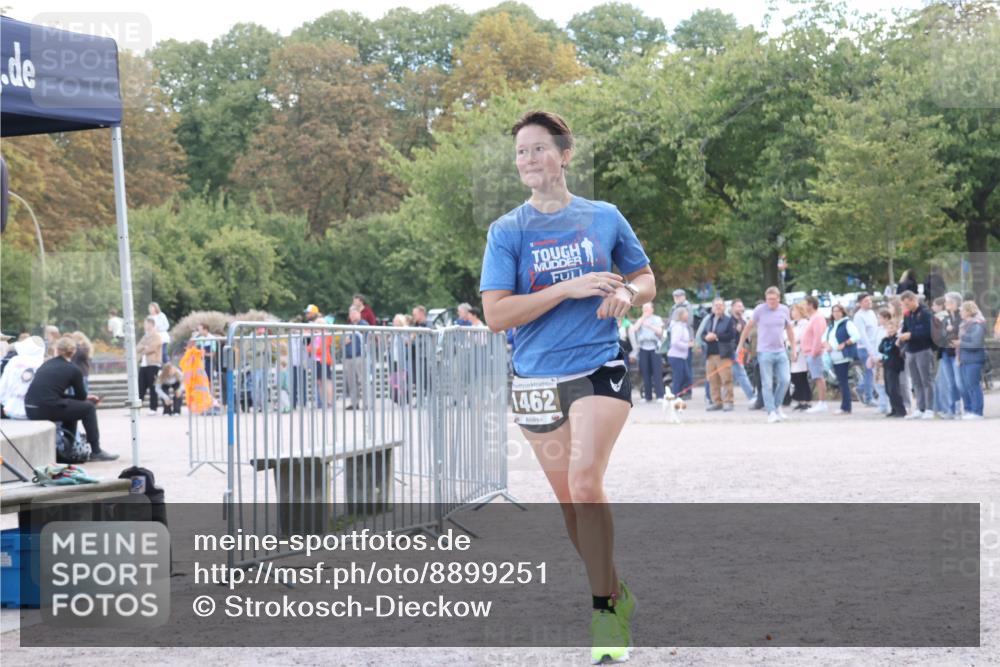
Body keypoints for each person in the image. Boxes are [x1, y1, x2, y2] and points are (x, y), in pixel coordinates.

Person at [480, 110, 652, 662]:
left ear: (565, 154)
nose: (529, 159)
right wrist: (568, 287)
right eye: (521, 152)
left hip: (598, 366)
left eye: (539, 148)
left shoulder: (604, 217)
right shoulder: (507, 231)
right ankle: (615, 591)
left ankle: (603, 616)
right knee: (572, 507)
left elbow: (645, 277)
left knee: (584, 482)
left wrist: (627, 294)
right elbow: (496, 315)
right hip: (535, 378)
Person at [24, 336, 118, 461]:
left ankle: (67, 451)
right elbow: (81, 397)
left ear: (57, 350)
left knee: (73, 410)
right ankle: (96, 451)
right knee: (89, 408)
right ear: (73, 352)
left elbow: (50, 393)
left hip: (30, 408)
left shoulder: (46, 364)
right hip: (46, 408)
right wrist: (88, 399)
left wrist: (82, 398)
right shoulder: (73, 369)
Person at [736, 286, 795, 424]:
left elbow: (789, 329)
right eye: (768, 299)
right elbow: (748, 327)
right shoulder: (760, 310)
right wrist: (740, 345)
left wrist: (793, 348)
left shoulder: (784, 310)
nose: (771, 302)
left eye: (773, 299)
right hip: (764, 351)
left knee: (785, 380)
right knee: (767, 383)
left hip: (780, 350)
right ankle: (771, 412)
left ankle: (777, 406)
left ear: (779, 299)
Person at [898, 291, 935, 419]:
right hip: (910, 350)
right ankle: (920, 407)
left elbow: (928, 332)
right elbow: (905, 329)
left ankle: (930, 408)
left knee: (926, 380)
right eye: (904, 304)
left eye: (907, 304)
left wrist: (911, 335)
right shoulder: (907, 314)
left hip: (923, 349)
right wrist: (901, 336)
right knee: (916, 381)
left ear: (914, 300)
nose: (905, 307)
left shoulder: (925, 313)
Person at [822, 304, 861, 415]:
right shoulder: (831, 326)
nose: (836, 313)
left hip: (843, 357)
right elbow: (823, 338)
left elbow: (856, 336)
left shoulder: (847, 323)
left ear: (842, 312)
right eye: (834, 311)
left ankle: (846, 407)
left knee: (843, 382)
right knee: (841, 382)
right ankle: (845, 406)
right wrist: (826, 344)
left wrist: (845, 343)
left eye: (838, 311)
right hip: (833, 357)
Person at [701, 297, 738, 411]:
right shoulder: (709, 320)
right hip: (710, 355)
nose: (718, 307)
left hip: (723, 354)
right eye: (716, 305)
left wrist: (716, 336)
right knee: (712, 380)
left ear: (724, 307)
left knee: (726, 379)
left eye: (720, 305)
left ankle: (728, 402)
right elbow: (702, 334)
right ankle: (716, 402)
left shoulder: (728, 320)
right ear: (712, 307)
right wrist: (706, 337)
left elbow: (732, 335)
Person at [933, 292, 963, 418]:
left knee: (958, 382)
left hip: (956, 352)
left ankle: (960, 408)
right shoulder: (944, 317)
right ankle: (951, 409)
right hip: (945, 351)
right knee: (950, 382)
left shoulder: (961, 316)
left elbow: (962, 332)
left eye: (948, 301)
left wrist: (952, 330)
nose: (946, 304)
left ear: (955, 303)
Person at [0, 336, 45, 419]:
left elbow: (4, 384)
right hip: (33, 410)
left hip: (11, 408)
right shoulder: (42, 365)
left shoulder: (14, 361)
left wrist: (4, 402)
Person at [957, 300, 987, 420]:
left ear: (969, 311)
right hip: (965, 359)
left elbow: (976, 344)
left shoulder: (976, 325)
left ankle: (977, 411)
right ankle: (970, 410)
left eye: (962, 311)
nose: (960, 313)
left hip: (974, 359)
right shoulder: (964, 325)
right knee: (967, 386)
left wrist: (960, 343)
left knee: (974, 385)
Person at [800, 296, 830, 413]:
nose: (803, 307)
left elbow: (818, 336)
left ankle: (822, 402)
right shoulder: (812, 318)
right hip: (810, 352)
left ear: (811, 305)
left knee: (818, 377)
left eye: (805, 304)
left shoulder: (817, 318)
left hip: (815, 353)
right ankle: (821, 402)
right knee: (816, 377)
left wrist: (814, 352)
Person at [633, 302, 665, 403]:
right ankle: (648, 396)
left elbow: (660, 331)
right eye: (643, 308)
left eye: (647, 308)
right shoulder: (640, 319)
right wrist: (643, 318)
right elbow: (634, 329)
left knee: (657, 373)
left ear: (652, 309)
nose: (645, 310)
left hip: (655, 348)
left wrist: (649, 325)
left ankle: (660, 396)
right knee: (645, 373)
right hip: (643, 348)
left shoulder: (657, 319)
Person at [852, 293, 879, 407]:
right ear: (860, 303)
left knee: (872, 372)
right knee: (869, 372)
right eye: (866, 301)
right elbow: (862, 336)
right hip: (864, 348)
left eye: (869, 300)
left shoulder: (872, 313)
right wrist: (870, 350)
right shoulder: (859, 316)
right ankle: (868, 397)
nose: (869, 302)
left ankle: (861, 388)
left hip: (874, 346)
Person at [878, 315, 906, 418]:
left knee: (894, 388)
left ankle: (900, 410)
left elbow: (894, 349)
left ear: (896, 328)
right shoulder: (885, 340)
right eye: (888, 328)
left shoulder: (897, 339)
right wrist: (885, 339)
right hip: (886, 364)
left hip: (894, 365)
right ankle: (894, 409)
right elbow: (880, 349)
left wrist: (894, 342)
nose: (890, 330)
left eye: (892, 328)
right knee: (888, 389)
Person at [729, 299, 756, 402]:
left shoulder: (743, 321)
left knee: (739, 374)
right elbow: (727, 337)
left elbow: (746, 338)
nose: (741, 308)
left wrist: (748, 351)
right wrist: (735, 331)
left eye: (742, 306)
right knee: (741, 374)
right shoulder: (729, 321)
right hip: (732, 351)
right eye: (738, 306)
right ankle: (751, 396)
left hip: (741, 351)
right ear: (732, 308)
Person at [343, 305, 368, 410]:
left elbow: (365, 339)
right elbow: (344, 341)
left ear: (359, 313)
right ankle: (354, 403)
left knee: (363, 380)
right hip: (349, 356)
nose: (352, 316)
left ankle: (366, 403)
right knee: (351, 381)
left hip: (359, 356)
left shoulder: (363, 325)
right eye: (351, 314)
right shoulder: (349, 327)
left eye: (354, 313)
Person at [136, 317, 163, 415]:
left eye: (146, 323)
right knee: (140, 387)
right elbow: (137, 347)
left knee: (153, 387)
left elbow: (153, 348)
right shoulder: (145, 336)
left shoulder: (157, 336)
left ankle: (153, 408)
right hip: (144, 365)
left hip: (153, 364)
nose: (144, 325)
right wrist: (144, 347)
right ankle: (137, 408)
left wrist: (144, 348)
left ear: (151, 324)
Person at [789, 302, 812, 410]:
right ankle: (799, 400)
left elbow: (801, 337)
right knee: (795, 377)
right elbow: (785, 335)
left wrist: (793, 341)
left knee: (801, 376)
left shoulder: (805, 323)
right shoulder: (791, 324)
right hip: (791, 350)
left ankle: (805, 400)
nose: (792, 313)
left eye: (794, 310)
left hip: (801, 352)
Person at [667, 309, 693, 399]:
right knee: (679, 377)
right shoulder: (677, 327)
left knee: (686, 376)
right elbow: (675, 342)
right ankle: (675, 396)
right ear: (680, 315)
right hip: (676, 356)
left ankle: (680, 394)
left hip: (682, 356)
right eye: (686, 313)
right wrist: (687, 345)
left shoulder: (683, 326)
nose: (688, 315)